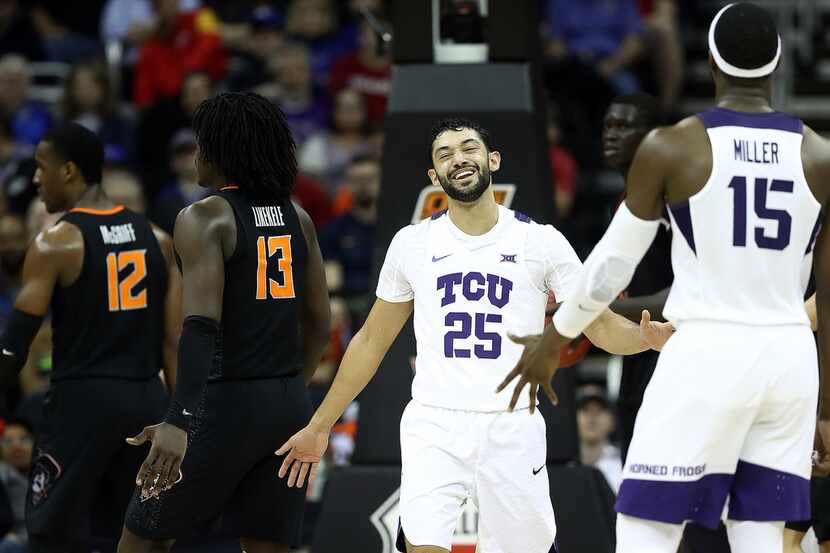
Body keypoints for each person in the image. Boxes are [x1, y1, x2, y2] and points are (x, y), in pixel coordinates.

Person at [500, 4, 830, 552]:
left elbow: (611, 265)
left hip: (707, 351)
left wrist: (555, 339)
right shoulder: (820, 155)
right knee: (761, 534)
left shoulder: (675, 145)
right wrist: (825, 410)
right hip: (789, 361)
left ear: (712, 62)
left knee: (645, 524)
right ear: (774, 65)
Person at [276, 117, 672, 553]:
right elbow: (371, 340)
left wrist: (644, 339)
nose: (457, 159)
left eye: (468, 148)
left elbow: (599, 325)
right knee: (422, 543)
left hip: (512, 425)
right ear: (434, 176)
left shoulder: (540, 242)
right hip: (435, 422)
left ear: (492, 160)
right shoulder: (412, 244)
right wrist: (320, 424)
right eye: (444, 154)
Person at [118, 92, 331, 553]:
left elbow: (198, 326)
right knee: (267, 544)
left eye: (200, 145)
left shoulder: (204, 217)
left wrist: (178, 420)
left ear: (222, 150)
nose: (195, 156)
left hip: (222, 403)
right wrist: (288, 388)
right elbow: (319, 323)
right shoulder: (298, 217)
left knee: (144, 535)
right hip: (288, 402)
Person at [0, 123, 180, 552]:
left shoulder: (55, 243)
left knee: (48, 530)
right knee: (137, 533)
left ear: (68, 171)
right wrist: (179, 417)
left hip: (81, 402)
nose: (37, 179)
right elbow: (175, 339)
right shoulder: (159, 239)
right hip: (146, 401)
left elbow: (15, 343)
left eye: (42, 168)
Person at [0, 419, 33, 550]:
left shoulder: (49, 476)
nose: (16, 447)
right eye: (8, 442)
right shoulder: (3, 472)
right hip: (13, 541)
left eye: (24, 440)